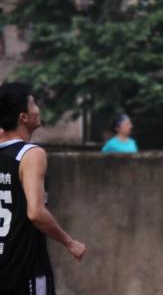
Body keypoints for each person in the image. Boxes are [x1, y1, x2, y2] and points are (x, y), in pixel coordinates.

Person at [0, 82, 88, 293]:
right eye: (33, 104)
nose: (38, 109)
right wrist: (69, 242)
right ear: (23, 117)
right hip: (25, 268)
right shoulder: (31, 154)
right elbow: (36, 212)